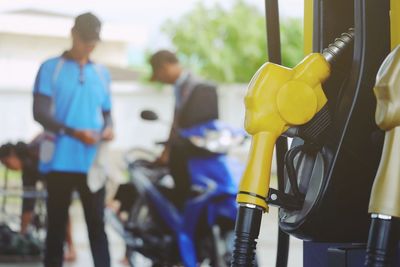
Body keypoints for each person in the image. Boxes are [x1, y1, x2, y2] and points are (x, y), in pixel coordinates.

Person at [32, 12, 113, 267]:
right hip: (59, 160)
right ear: (73, 35)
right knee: (55, 226)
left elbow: (108, 113)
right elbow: (40, 112)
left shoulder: (101, 73)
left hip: (91, 164)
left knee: (97, 226)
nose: (88, 46)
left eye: (93, 42)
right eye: (85, 40)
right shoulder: (50, 68)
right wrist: (74, 132)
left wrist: (109, 128)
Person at [149, 49, 219, 209]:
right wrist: (166, 152)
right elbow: (176, 123)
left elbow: (186, 125)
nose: (161, 80)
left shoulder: (197, 87)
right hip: (182, 154)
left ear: (164, 67)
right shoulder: (180, 87)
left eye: (159, 75)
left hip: (195, 157)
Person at [0, 138, 77, 261]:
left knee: (61, 208)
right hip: (52, 177)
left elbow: (51, 145)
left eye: (7, 163)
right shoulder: (27, 170)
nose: (9, 168)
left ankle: (71, 248)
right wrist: (21, 236)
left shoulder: (36, 149)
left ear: (13, 155)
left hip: (64, 172)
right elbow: (27, 205)